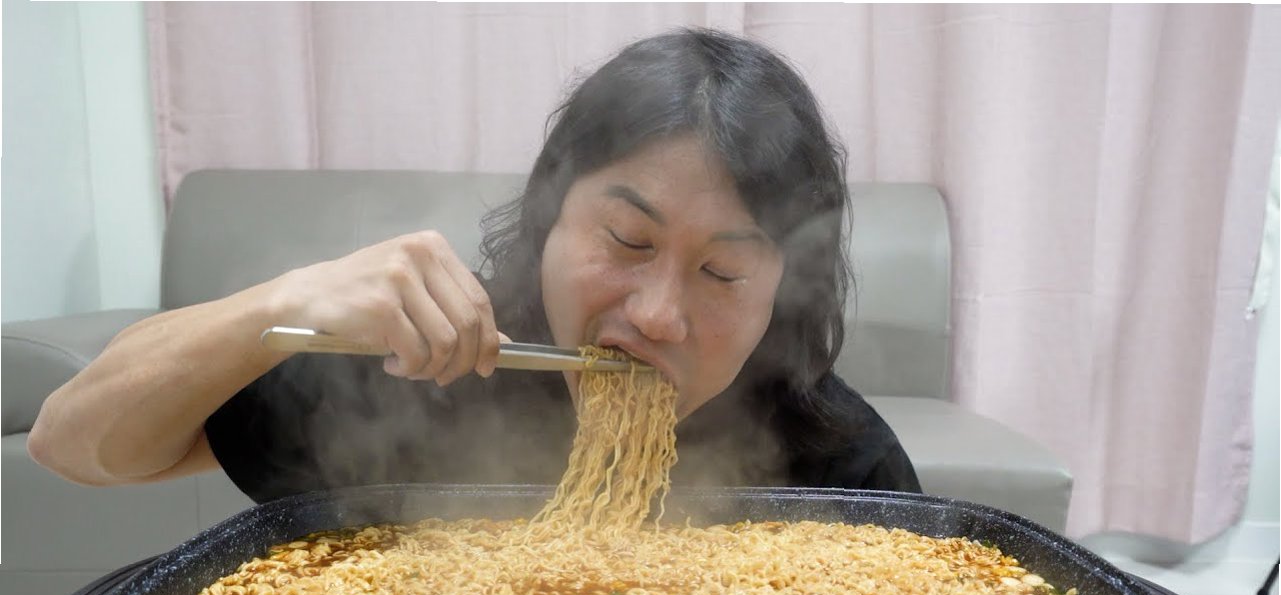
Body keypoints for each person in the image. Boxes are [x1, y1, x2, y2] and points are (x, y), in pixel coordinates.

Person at [28, 28, 920, 504]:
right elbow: (72, 446)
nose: (656, 313)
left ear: (783, 292)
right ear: (550, 213)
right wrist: (285, 300)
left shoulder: (840, 466)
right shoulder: (426, 364)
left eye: (721, 273)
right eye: (626, 239)